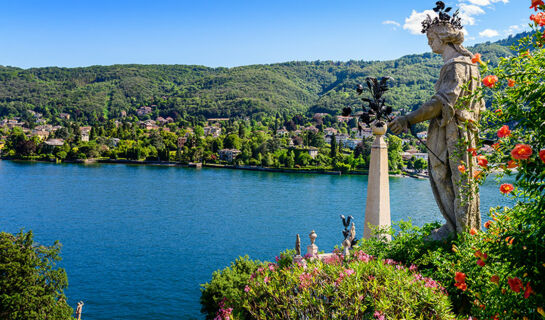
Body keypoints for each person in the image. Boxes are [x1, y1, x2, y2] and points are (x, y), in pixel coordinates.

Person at [389, 7, 485, 239]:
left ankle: (456, 230)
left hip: (452, 131)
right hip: (466, 131)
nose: (429, 43)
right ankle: (463, 227)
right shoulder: (472, 65)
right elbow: (479, 106)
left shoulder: (455, 66)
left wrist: (407, 119)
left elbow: (441, 103)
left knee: (446, 176)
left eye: (431, 38)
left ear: (443, 38)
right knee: (461, 179)